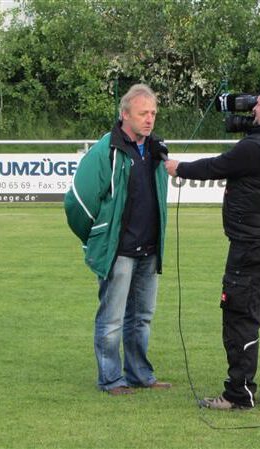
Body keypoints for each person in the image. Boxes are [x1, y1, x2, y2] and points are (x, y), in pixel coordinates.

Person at [164, 84, 260, 410]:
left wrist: (178, 168)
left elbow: (216, 167)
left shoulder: (256, 148)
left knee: (240, 316)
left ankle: (238, 394)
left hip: (252, 246)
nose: (252, 107)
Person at [64, 84, 171, 396]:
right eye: (143, 113)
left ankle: (139, 374)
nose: (149, 119)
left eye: (153, 113)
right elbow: (77, 204)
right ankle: (111, 379)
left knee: (142, 318)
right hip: (119, 252)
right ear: (125, 115)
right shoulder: (105, 151)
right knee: (112, 319)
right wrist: (99, 237)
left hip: (150, 250)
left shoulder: (154, 150)